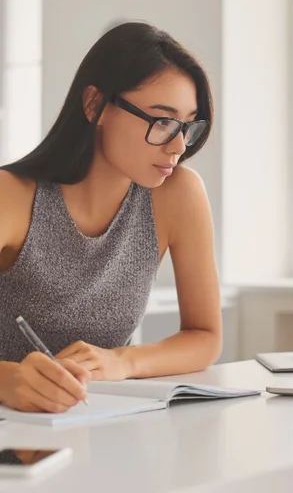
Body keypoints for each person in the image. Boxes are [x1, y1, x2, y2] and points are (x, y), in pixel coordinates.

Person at [0, 22, 222, 413]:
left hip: (100, 429)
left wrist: (121, 361)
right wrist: (6, 380)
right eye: (162, 120)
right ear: (94, 105)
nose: (178, 146)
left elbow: (204, 336)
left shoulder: (177, 194)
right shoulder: (11, 195)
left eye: (188, 125)